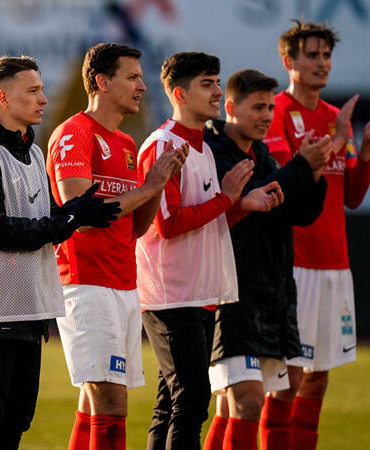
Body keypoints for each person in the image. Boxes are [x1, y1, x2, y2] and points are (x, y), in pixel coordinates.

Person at [0, 55, 121, 450]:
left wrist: (70, 215)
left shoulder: (35, 152)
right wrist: (65, 221)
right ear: (4, 98)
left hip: (30, 308)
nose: (44, 98)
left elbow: (39, 223)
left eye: (42, 89)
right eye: (33, 91)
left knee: (16, 421)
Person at [137, 52, 283, 450]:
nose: (218, 91)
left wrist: (237, 205)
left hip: (200, 296)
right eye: (207, 84)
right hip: (170, 296)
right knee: (192, 399)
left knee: (173, 403)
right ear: (180, 93)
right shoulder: (163, 145)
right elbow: (167, 224)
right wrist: (228, 198)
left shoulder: (201, 147)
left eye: (217, 82)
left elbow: (207, 224)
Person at [46, 43, 187, 450]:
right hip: (85, 282)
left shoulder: (126, 144)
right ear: (103, 82)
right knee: (111, 400)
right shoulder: (74, 133)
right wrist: (147, 186)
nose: (142, 86)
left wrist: (157, 188)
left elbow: (136, 229)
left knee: (95, 403)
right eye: (132, 77)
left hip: (123, 282)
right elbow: (81, 214)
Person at [202, 69, 330, 450]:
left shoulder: (262, 155)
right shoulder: (214, 152)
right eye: (257, 107)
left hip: (270, 298)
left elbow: (296, 213)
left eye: (270, 107)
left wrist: (315, 173)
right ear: (230, 108)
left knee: (240, 404)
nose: (266, 115)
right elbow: (258, 200)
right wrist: (299, 168)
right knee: (246, 401)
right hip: (231, 297)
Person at [260, 20, 370, 450]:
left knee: (319, 378)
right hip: (296, 264)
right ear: (289, 61)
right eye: (312, 55)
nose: (322, 63)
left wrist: (363, 155)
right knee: (290, 378)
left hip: (335, 265)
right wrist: (335, 143)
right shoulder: (278, 112)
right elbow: (288, 187)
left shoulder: (331, 117)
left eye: (326, 56)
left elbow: (352, 195)